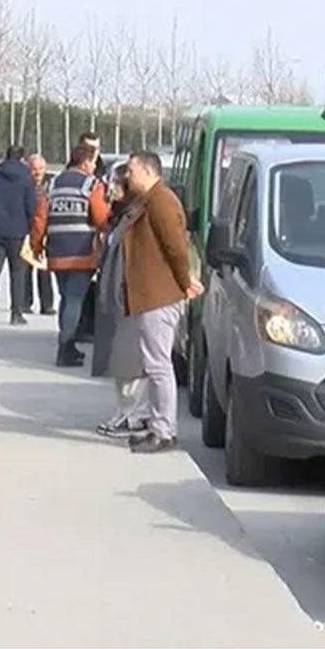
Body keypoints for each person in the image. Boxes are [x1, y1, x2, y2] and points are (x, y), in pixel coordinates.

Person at [119, 150, 201, 453]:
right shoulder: (150, 200)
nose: (128, 176)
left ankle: (164, 430)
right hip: (154, 293)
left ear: (147, 170)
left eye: (131, 170)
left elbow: (176, 248)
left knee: (158, 365)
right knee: (154, 363)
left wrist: (184, 282)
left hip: (160, 294)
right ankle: (158, 424)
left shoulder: (161, 201)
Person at [31, 143, 110, 367]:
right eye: (94, 162)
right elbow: (101, 217)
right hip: (81, 253)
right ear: (86, 162)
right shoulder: (91, 184)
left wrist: (37, 246)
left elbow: (39, 218)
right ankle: (66, 348)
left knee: (66, 298)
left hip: (56, 252)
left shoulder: (52, 183)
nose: (95, 167)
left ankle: (67, 344)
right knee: (74, 300)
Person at [95, 167, 149, 438]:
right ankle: (125, 411)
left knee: (132, 361)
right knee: (121, 361)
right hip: (116, 296)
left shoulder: (135, 218)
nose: (110, 190)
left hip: (131, 298)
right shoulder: (120, 218)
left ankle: (135, 416)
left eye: (115, 185)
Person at [0, 145, 38, 326]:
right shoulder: (27, 179)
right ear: (22, 158)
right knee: (18, 273)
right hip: (18, 231)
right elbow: (31, 206)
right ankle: (16, 313)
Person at [23, 153, 55, 316]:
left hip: (46, 230)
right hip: (28, 229)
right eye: (34, 169)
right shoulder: (24, 184)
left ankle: (47, 304)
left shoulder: (52, 183)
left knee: (44, 269)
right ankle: (25, 302)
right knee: (25, 268)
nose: (37, 172)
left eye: (41, 168)